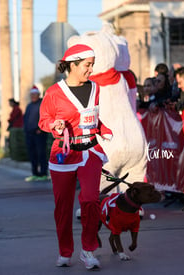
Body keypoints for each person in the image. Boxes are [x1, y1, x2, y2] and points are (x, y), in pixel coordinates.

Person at [38, 44, 113, 270]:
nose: (91, 69)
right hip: (63, 154)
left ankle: (88, 251)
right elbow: (43, 120)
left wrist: (103, 129)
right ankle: (65, 251)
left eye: (92, 64)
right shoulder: (53, 93)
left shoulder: (95, 88)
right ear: (73, 65)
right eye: (87, 65)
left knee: (90, 199)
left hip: (90, 151)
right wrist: (55, 125)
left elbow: (93, 117)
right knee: (63, 206)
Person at [23, 86, 48, 181]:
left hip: (39, 134)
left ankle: (43, 174)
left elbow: (45, 117)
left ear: (38, 94)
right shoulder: (29, 106)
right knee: (32, 154)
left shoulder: (42, 104)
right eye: (31, 94)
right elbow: (25, 118)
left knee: (41, 153)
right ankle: (35, 173)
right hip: (29, 134)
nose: (33, 96)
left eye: (35, 94)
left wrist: (40, 129)